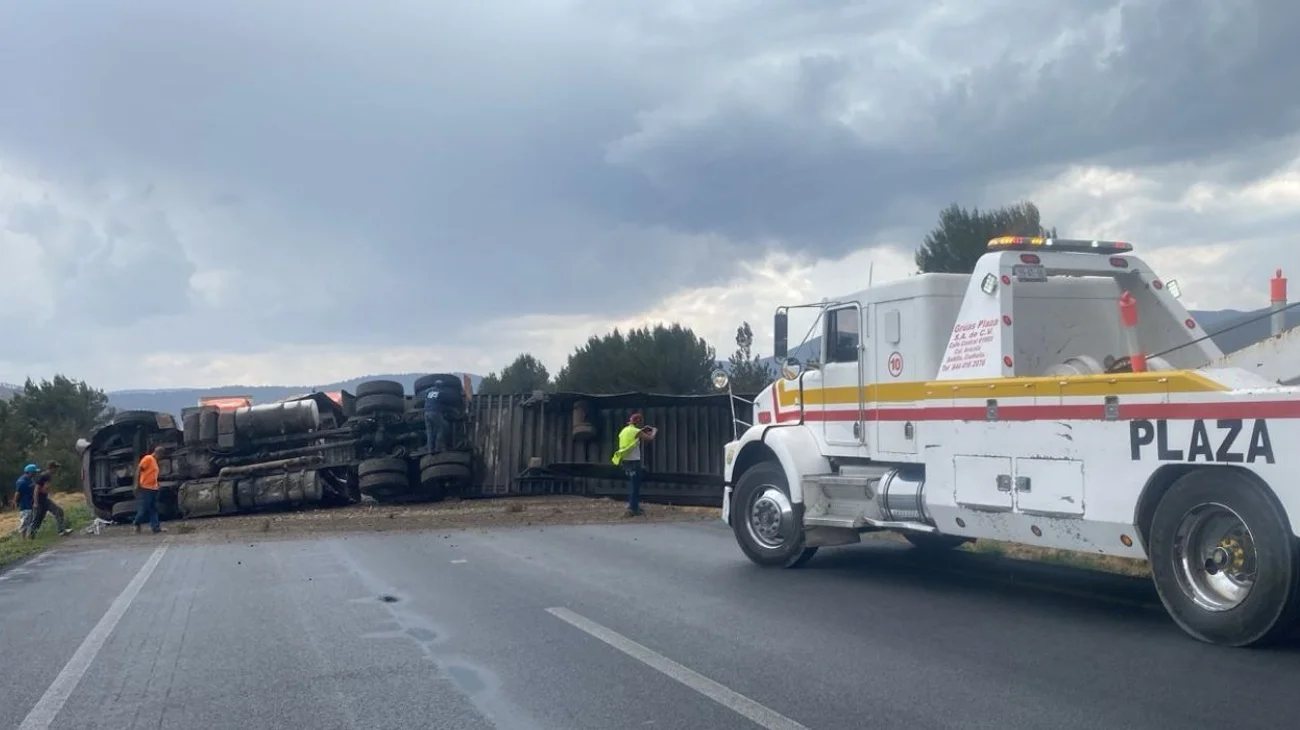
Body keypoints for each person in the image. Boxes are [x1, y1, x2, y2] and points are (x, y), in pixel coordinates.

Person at [611, 412, 656, 517]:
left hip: (625, 461)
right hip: (634, 462)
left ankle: (634, 506)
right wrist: (654, 431)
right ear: (639, 422)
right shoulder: (635, 431)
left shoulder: (625, 430)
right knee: (635, 486)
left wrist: (641, 430)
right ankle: (632, 508)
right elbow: (649, 438)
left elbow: (634, 436)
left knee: (633, 483)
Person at [29, 460, 71, 537]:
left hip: (44, 499)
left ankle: (61, 530)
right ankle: (31, 535)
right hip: (40, 500)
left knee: (41, 517)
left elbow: (43, 488)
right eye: (56, 468)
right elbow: (36, 488)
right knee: (39, 518)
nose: (56, 470)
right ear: (51, 468)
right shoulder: (45, 475)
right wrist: (35, 502)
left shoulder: (47, 476)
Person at [133, 445, 165, 534]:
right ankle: (136, 523)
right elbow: (139, 469)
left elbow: (152, 475)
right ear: (158, 453)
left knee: (154, 509)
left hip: (154, 488)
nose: (161, 458)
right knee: (144, 508)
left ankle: (156, 528)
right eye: (161, 455)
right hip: (146, 488)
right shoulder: (148, 458)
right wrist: (136, 484)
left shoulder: (154, 461)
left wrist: (157, 484)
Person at [423, 378, 450, 454]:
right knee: (442, 427)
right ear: (441, 386)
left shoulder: (428, 391)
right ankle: (438, 447)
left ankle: (430, 450)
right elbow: (445, 402)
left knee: (429, 432)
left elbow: (425, 396)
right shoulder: (441, 392)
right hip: (434, 412)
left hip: (426, 412)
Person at [12, 464, 38, 539]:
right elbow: (17, 493)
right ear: (30, 472)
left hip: (30, 504)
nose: (35, 474)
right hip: (25, 506)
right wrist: (15, 502)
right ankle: (23, 539)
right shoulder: (22, 481)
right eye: (34, 472)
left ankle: (29, 538)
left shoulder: (30, 480)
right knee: (25, 522)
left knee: (30, 522)